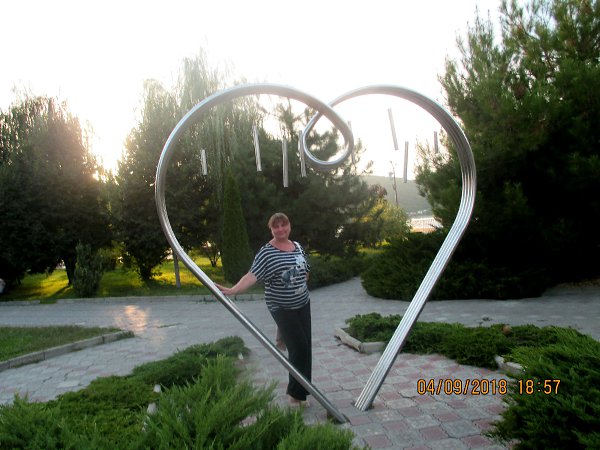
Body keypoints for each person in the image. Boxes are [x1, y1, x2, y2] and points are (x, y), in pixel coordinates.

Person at [216, 212, 311, 406]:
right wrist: (234, 290)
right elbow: (252, 275)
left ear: (289, 226)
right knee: (299, 349)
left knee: (306, 347)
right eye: (276, 226)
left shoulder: (297, 246)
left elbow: (306, 270)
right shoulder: (267, 252)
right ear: (271, 229)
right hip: (281, 307)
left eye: (284, 225)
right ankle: (295, 396)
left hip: (303, 303)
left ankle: (304, 388)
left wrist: (299, 283)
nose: (281, 229)